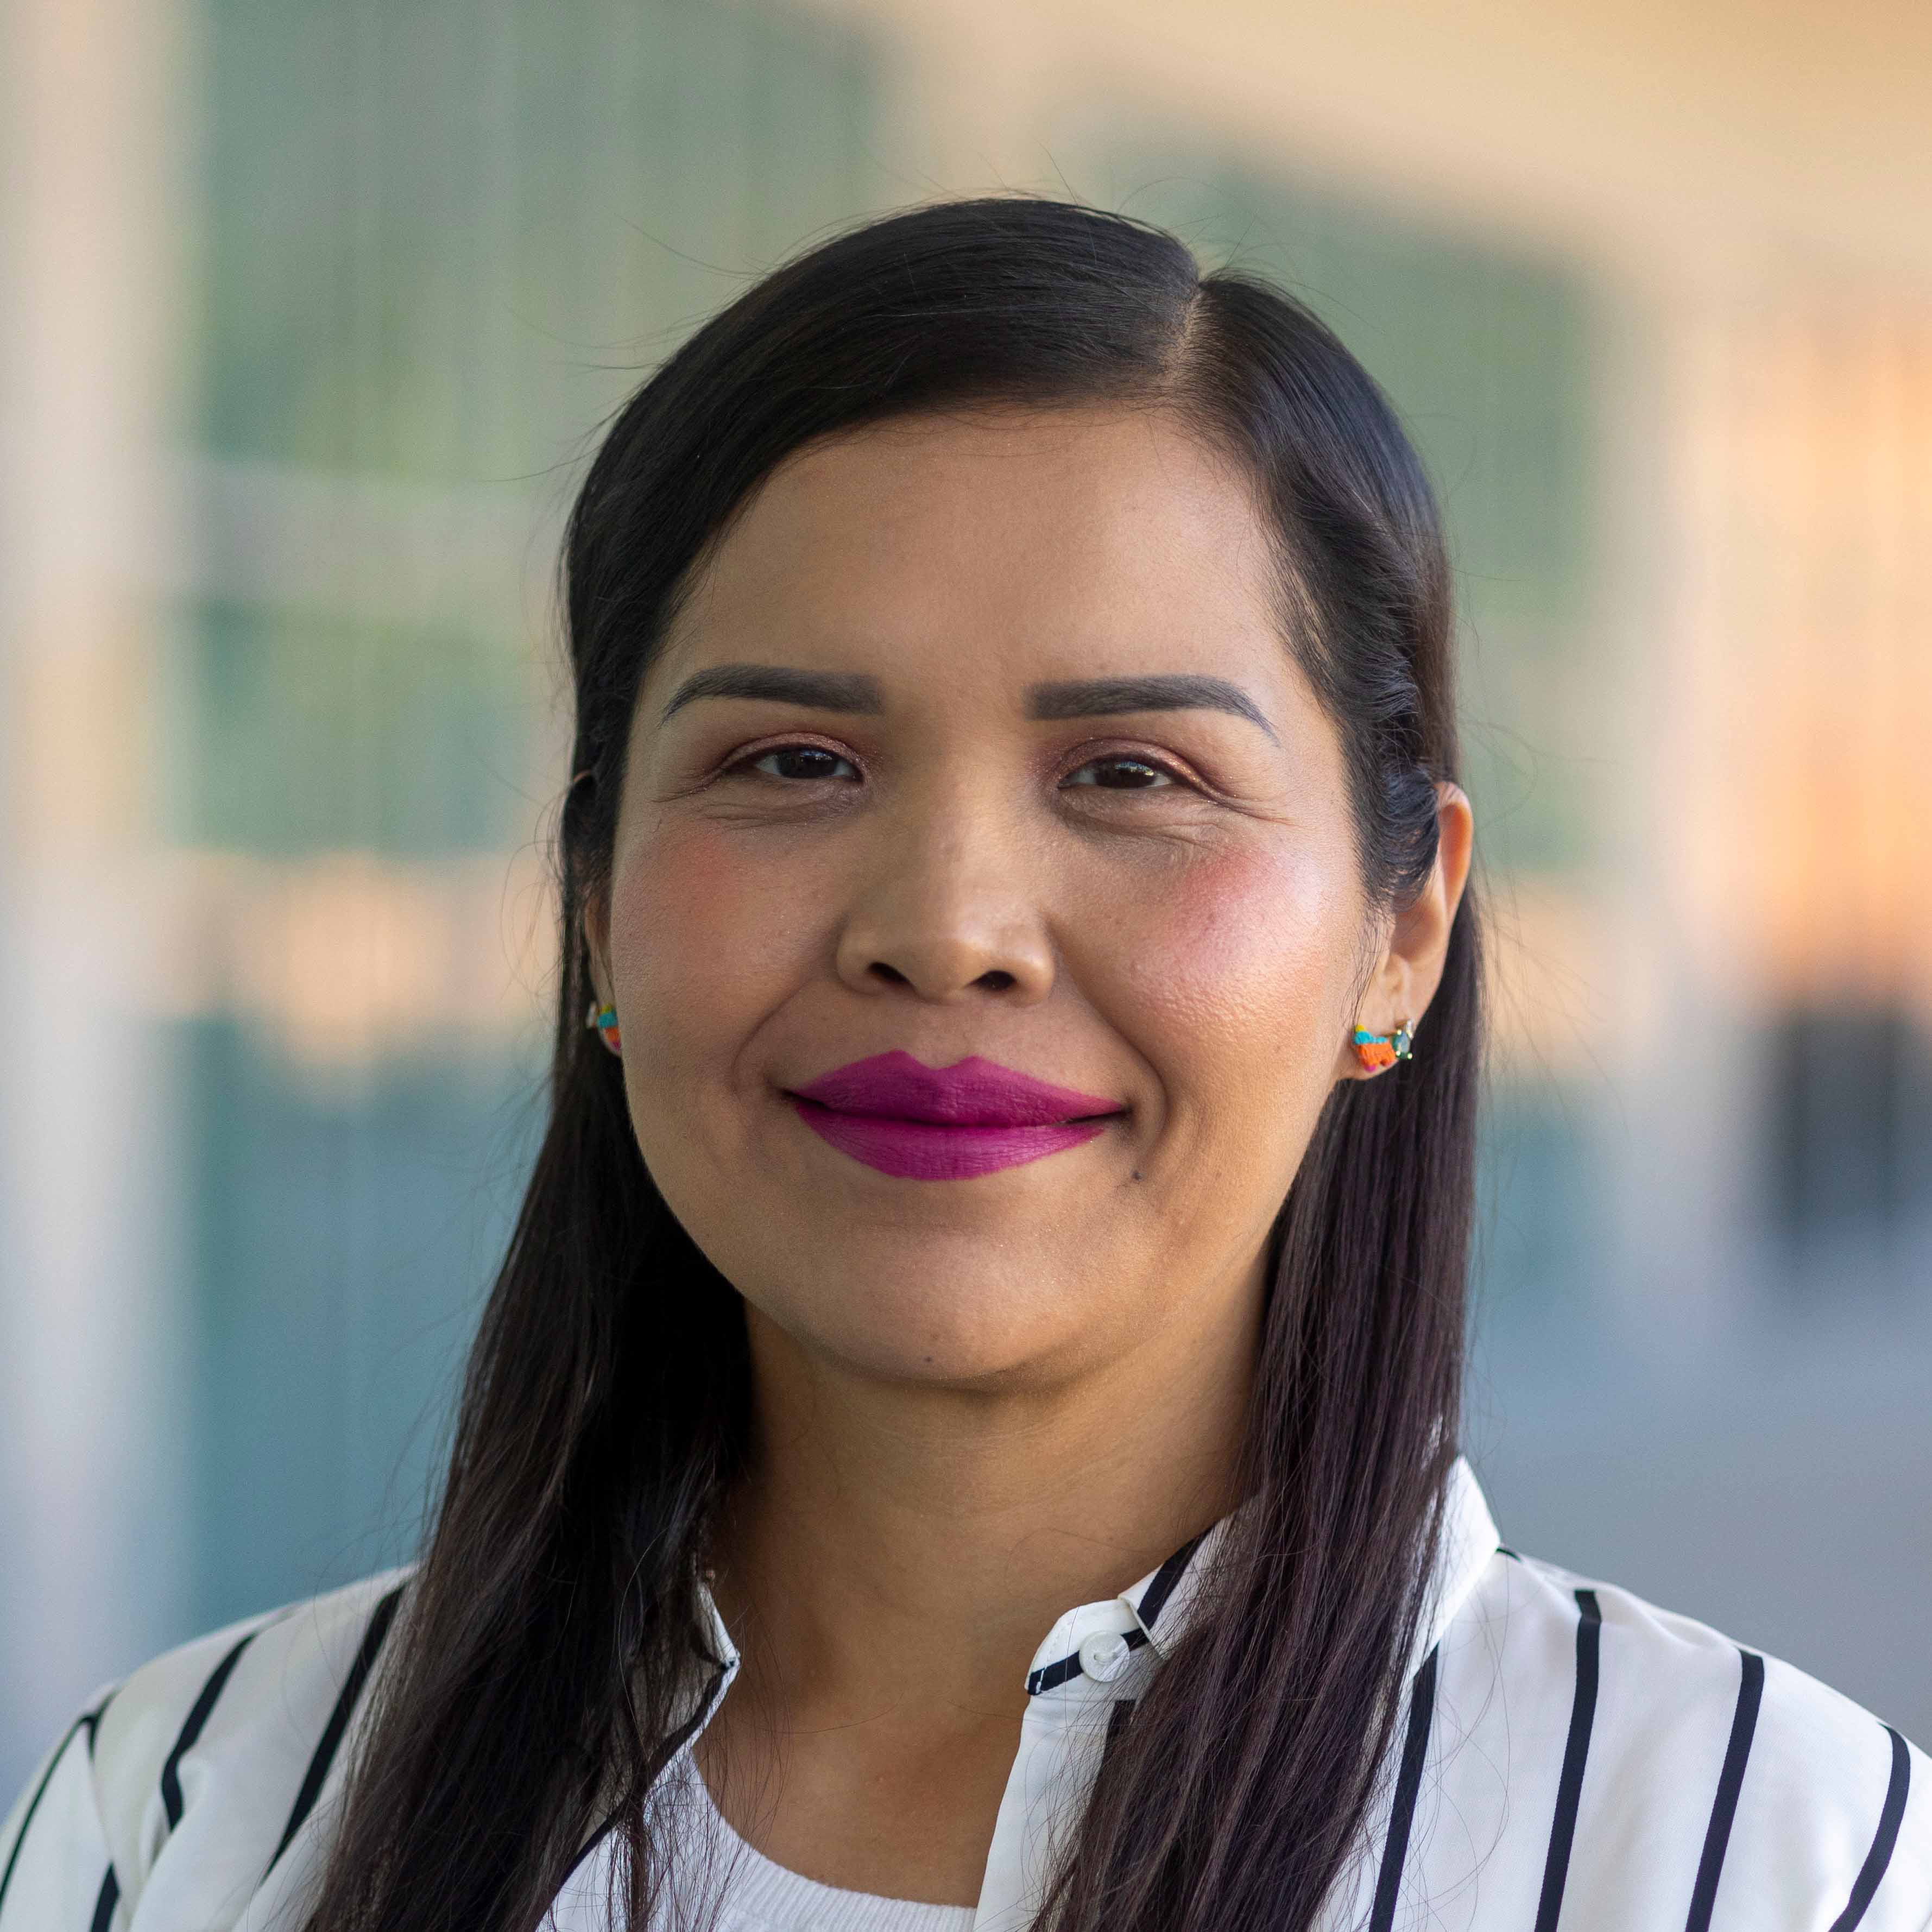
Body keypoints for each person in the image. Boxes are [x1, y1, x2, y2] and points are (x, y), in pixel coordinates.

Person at [2, 194, 1925, 1932]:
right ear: (593, 903)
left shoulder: (1760, 1858)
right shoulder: (183, 1817)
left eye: (1132, 776)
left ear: (1402, 926)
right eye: (793, 763)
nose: (946, 922)